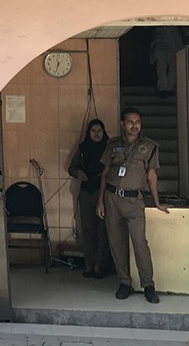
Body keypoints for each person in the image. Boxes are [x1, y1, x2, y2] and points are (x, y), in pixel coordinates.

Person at [96, 107, 169, 304]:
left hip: (134, 201)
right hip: (112, 198)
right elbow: (105, 174)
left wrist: (156, 202)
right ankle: (124, 282)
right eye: (130, 121)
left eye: (137, 122)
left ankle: (148, 284)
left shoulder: (150, 146)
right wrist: (100, 200)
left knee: (139, 242)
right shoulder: (112, 145)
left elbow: (152, 176)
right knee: (116, 242)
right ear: (122, 124)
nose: (134, 125)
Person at [68, 119, 110, 279]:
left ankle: (99, 265)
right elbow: (71, 168)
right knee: (87, 230)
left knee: (102, 230)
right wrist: (79, 173)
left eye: (100, 130)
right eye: (93, 131)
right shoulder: (83, 149)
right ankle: (89, 264)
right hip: (86, 193)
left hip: (104, 193)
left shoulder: (109, 148)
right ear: (89, 132)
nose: (97, 134)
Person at [149, 26, 186, 94]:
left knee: (163, 66)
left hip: (165, 44)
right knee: (170, 66)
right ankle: (167, 87)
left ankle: (164, 88)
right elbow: (187, 32)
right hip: (170, 45)